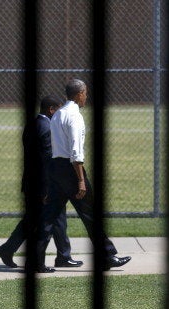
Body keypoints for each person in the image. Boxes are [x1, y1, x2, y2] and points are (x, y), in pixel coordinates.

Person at [35, 79, 132, 273]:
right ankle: (107, 256)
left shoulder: (57, 114)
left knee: (48, 217)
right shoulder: (74, 116)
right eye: (85, 93)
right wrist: (80, 180)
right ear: (79, 94)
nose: (86, 96)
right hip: (71, 170)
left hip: (56, 168)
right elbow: (75, 152)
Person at [0, 95, 84, 268]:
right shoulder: (47, 128)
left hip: (32, 181)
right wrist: (46, 189)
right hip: (43, 184)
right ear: (51, 110)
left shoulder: (33, 124)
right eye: (58, 110)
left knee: (54, 219)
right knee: (41, 221)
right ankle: (10, 250)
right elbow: (45, 161)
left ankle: (63, 256)